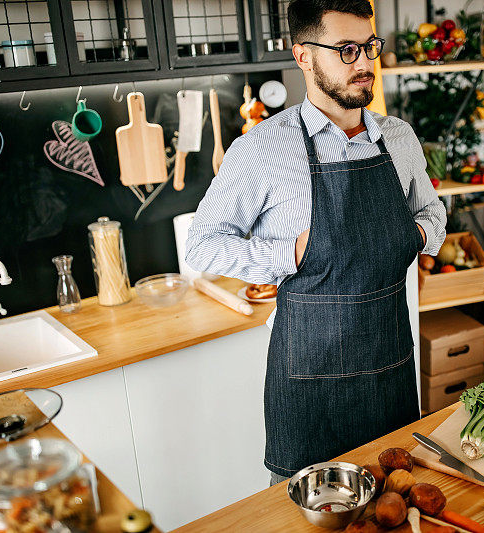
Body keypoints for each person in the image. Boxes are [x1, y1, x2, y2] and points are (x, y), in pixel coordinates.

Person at [185, 0, 446, 487]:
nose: (365, 63)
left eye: (369, 46)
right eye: (346, 50)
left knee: (392, 502)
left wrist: (415, 234)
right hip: (309, 384)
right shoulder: (262, 149)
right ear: (303, 56)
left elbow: (433, 211)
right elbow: (201, 246)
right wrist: (289, 255)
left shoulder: (399, 138)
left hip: (390, 368)